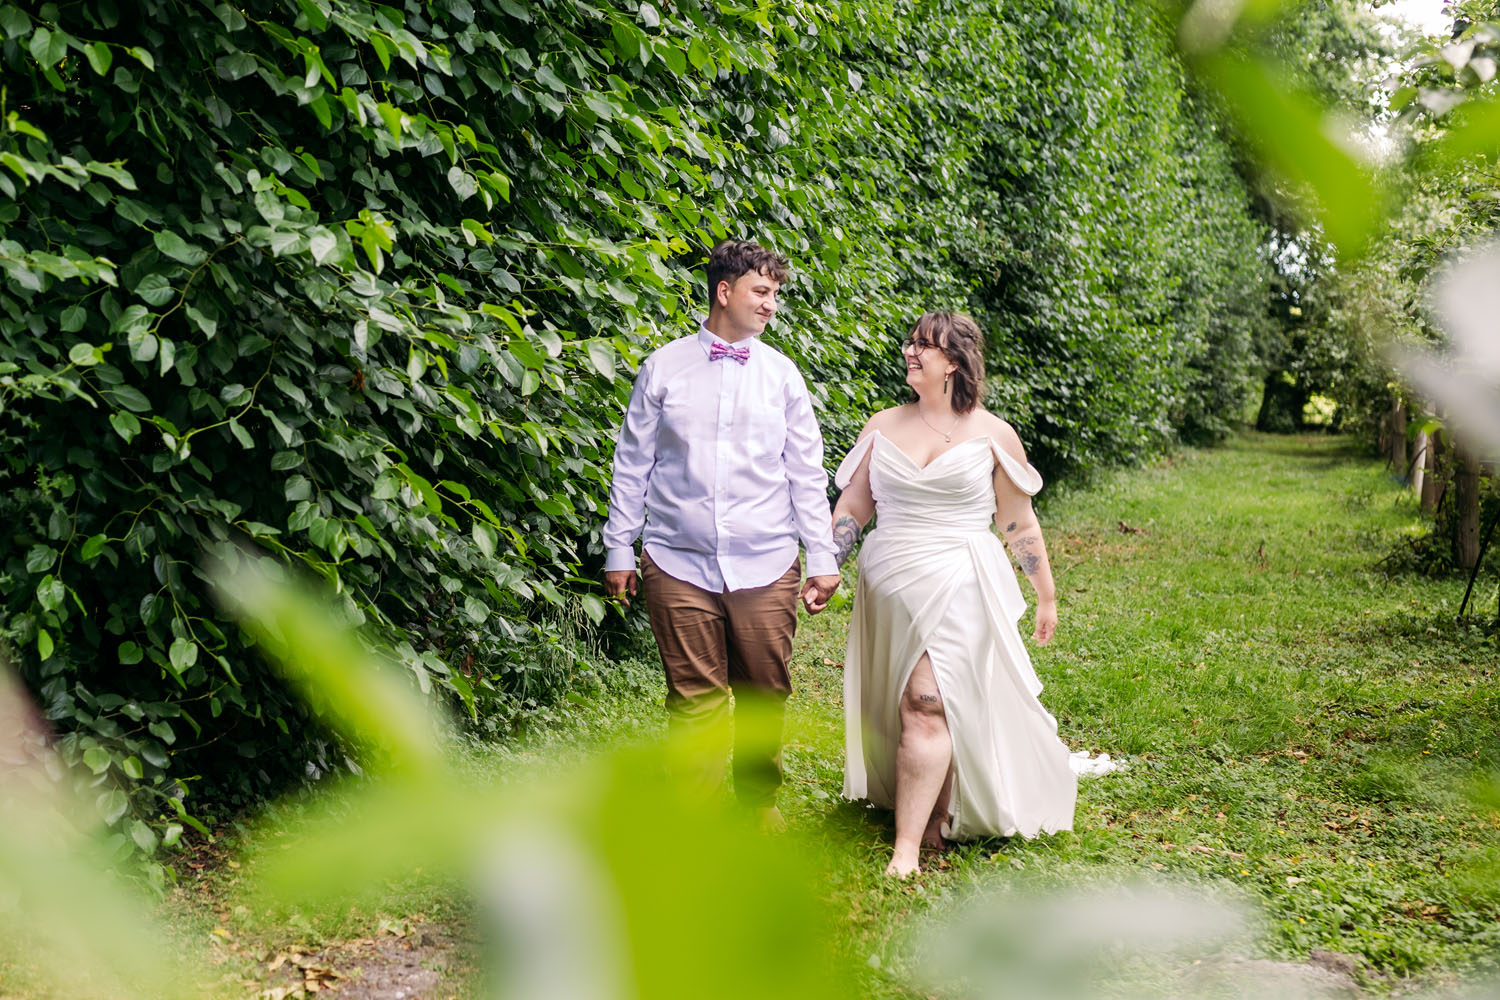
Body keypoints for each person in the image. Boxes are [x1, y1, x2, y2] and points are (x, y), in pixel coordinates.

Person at [823, 312, 1111, 877]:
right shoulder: (882, 425)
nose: (910, 352)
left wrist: (1046, 595)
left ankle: (907, 847)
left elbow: (1018, 524)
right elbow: (855, 506)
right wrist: (826, 564)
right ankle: (935, 814)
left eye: (922, 346)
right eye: (909, 343)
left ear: (953, 362)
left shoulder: (992, 433)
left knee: (929, 700)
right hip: (892, 582)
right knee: (915, 703)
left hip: (961, 575)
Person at [601, 239, 843, 830]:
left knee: (765, 690)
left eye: (776, 295)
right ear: (724, 291)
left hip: (766, 561)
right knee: (693, 698)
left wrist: (822, 556)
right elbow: (633, 464)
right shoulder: (662, 368)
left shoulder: (782, 376)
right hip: (676, 560)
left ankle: (759, 799)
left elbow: (805, 473)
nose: (771, 306)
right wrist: (619, 547)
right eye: (762, 292)